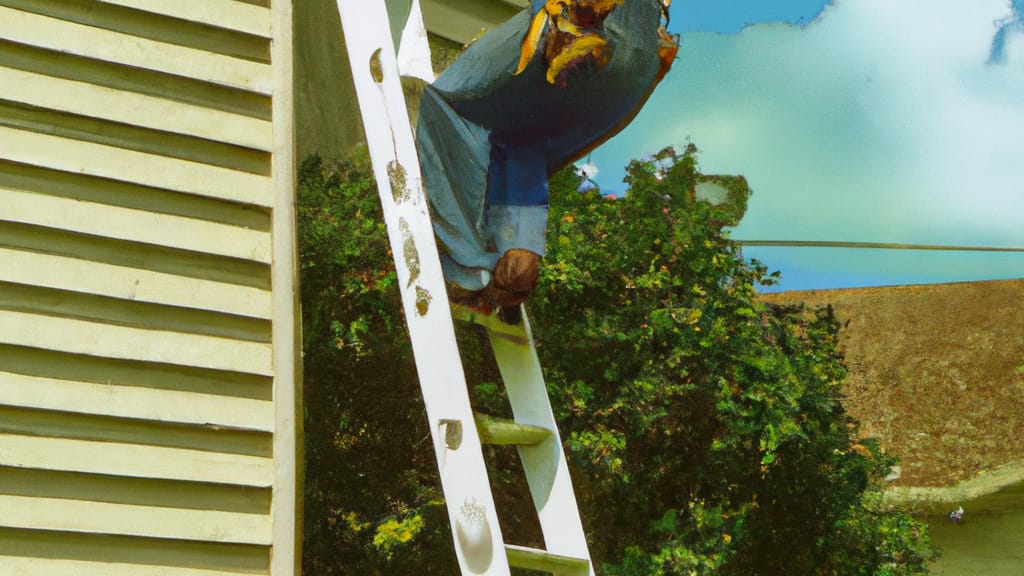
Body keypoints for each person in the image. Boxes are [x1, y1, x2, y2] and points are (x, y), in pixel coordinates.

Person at [416, 0, 679, 313]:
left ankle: (469, 269)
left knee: (433, 105)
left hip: (583, 26)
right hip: (638, 65)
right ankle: (515, 257)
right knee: (519, 138)